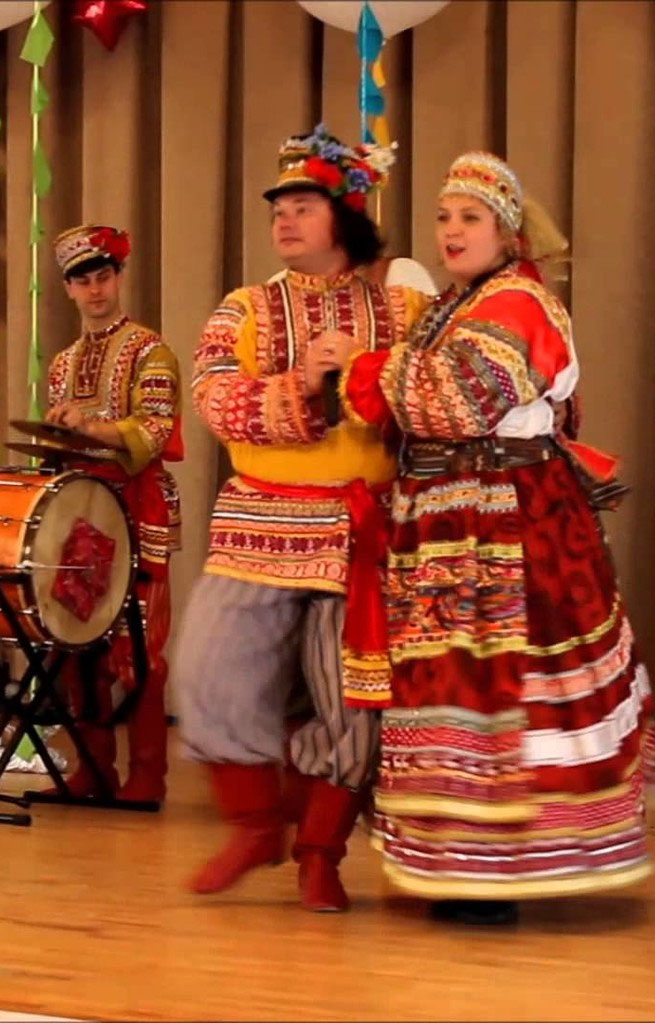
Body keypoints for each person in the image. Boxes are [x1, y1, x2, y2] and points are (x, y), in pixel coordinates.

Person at [329, 152, 655, 925]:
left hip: (506, 523)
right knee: (454, 684)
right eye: (444, 216)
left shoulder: (519, 301)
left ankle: (501, 866)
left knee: (500, 686)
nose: (451, 230)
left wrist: (365, 366)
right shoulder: (458, 303)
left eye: (470, 217)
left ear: (508, 232)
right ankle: (461, 862)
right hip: (454, 520)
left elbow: (461, 399)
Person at [176, 125, 431, 911]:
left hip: (359, 528)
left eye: (303, 207)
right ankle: (256, 824)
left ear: (345, 216)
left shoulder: (405, 307)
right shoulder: (244, 308)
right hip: (258, 520)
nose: (284, 220)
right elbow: (214, 398)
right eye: (278, 209)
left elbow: (435, 404)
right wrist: (303, 385)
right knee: (208, 672)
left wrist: (364, 372)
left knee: (353, 701)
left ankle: (321, 851)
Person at [38, 224, 182, 804]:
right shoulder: (62, 364)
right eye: (83, 282)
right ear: (68, 290)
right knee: (77, 639)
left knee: (139, 644)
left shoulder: (151, 351)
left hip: (136, 507)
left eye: (103, 277)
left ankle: (148, 774)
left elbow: (155, 431)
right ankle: (92, 769)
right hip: (81, 513)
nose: (95, 290)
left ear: (119, 278)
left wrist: (92, 428)